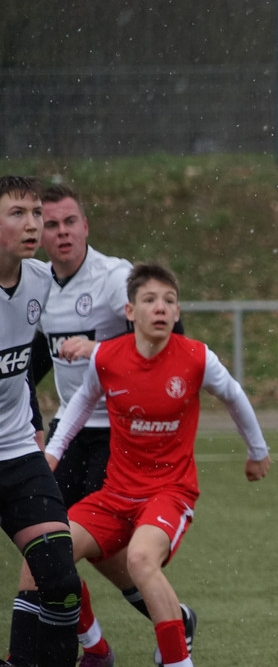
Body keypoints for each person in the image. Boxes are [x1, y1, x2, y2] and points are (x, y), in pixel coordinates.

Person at [44, 262, 272, 667]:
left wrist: (257, 451)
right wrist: (52, 453)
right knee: (49, 552)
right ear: (130, 311)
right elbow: (80, 405)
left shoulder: (196, 357)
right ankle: (95, 646)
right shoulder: (107, 358)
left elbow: (234, 395)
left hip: (170, 493)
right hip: (116, 494)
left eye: (169, 300)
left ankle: (179, 662)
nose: (161, 307)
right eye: (149, 300)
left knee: (140, 559)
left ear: (178, 311)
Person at [9, 186, 196, 667]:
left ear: (86, 226)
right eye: (51, 224)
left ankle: (165, 623)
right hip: (68, 430)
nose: (61, 232)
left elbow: (170, 340)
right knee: (46, 549)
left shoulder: (114, 279)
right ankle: (96, 647)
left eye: (70, 221)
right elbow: (31, 361)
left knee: (93, 549)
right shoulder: (38, 282)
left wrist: (101, 350)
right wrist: (29, 423)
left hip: (117, 434)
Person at [0, 175, 83, 666]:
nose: (33, 224)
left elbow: (23, 362)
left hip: (17, 453)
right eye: (18, 213)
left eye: (36, 214)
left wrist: (31, 415)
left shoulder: (39, 280)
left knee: (61, 581)